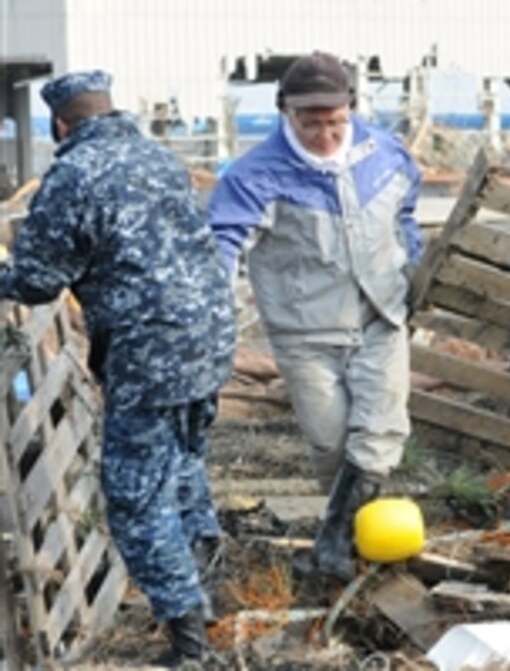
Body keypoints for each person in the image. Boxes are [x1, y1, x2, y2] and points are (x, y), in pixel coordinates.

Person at [0, 71, 236, 666]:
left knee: (133, 495)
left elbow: (34, 280)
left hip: (149, 351)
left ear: (61, 124)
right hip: (208, 337)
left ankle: (190, 641)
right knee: (182, 461)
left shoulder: (75, 174)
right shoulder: (158, 158)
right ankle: (210, 586)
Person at [208, 51, 422, 581]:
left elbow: (408, 214)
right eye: (312, 124)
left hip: (381, 317)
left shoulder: (385, 154)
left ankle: (336, 548)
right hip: (306, 334)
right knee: (331, 445)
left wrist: (415, 267)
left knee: (377, 437)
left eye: (335, 122)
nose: (325, 135)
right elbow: (223, 245)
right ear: (286, 113)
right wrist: (213, 310)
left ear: (350, 109)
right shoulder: (256, 175)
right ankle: (358, 540)